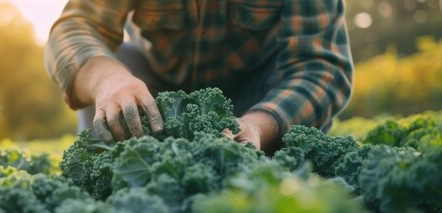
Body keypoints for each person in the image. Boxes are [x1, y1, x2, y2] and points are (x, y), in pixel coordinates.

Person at [45, 0, 353, 153]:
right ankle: (114, 158)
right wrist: (109, 81)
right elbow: (75, 27)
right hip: (157, 100)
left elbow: (321, 67)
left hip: (259, 97)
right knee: (113, 61)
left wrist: (261, 125)